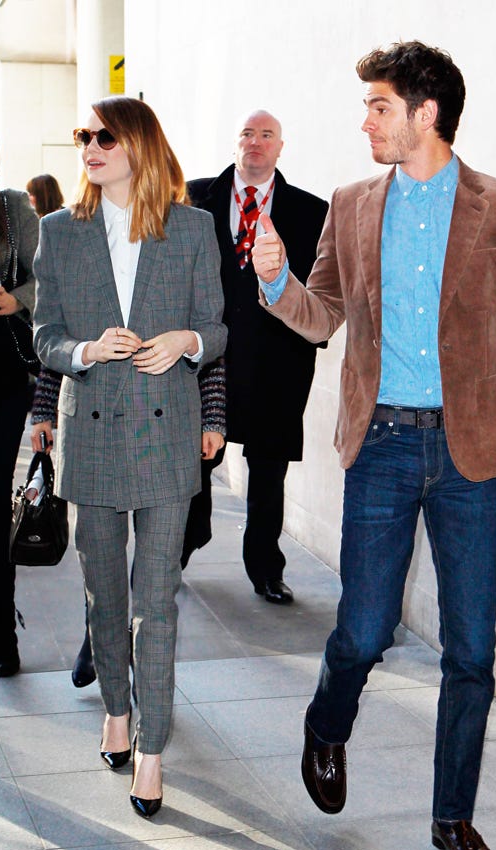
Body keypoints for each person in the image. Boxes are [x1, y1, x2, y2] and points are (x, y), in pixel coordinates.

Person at [252, 41, 496, 850]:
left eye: (379, 107)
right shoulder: (352, 206)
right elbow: (321, 318)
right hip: (384, 444)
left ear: (426, 114)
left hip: (471, 453)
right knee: (363, 630)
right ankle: (327, 724)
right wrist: (278, 282)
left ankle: (450, 817)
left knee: (470, 650)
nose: (366, 121)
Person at [33, 96, 226, 819]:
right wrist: (84, 351)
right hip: (93, 433)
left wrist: (187, 342)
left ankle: (150, 749)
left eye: (102, 135)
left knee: (157, 605)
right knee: (103, 594)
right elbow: (45, 334)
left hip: (167, 435)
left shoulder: (192, 229)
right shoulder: (62, 231)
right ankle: (116, 705)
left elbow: (218, 330)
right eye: (82, 134)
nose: (88, 145)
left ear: (138, 145)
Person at [187, 110, 328, 605]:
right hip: (209, 361)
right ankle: (184, 541)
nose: (256, 142)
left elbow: (322, 292)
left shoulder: (312, 211)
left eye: (266, 134)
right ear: (235, 143)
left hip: (277, 365)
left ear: (280, 147)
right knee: (193, 463)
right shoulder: (191, 197)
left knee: (269, 476)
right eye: (247, 133)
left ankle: (265, 567)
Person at [30, 357, 227, 688]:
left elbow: (207, 341)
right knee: (99, 546)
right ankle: (99, 633)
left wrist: (213, 419)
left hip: (168, 421)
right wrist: (44, 411)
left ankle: (139, 650)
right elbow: (63, 332)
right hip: (99, 420)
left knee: (159, 557)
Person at [0, 140, 40, 677]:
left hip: (1, 378)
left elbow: (44, 276)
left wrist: (15, 298)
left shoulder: (12, 207)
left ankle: (1, 634)